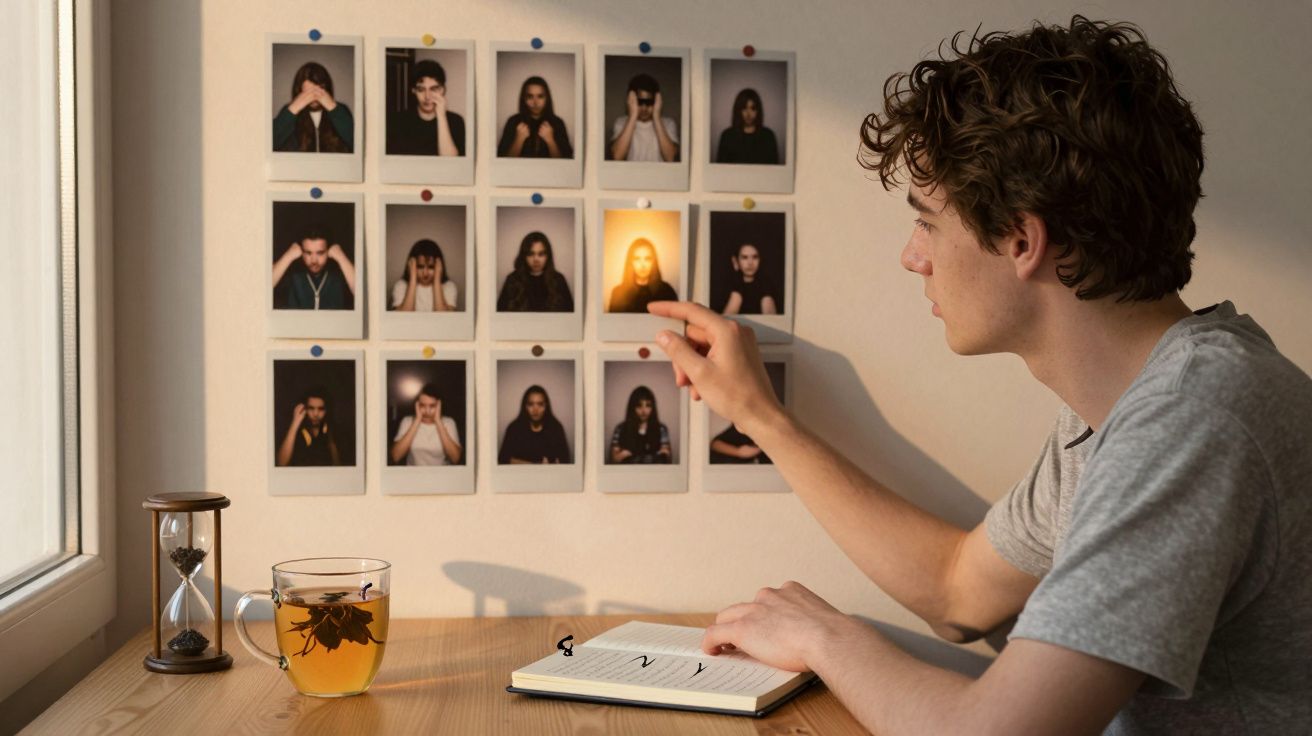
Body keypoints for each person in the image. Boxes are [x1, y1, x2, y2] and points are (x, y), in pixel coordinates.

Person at [648, 16, 1312, 734]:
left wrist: (824, 638)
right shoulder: (1129, 408)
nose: (913, 256)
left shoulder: (1194, 419)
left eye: (928, 221)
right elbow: (958, 591)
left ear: (1023, 241)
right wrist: (762, 418)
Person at [386, 58, 466, 156]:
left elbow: (452, 163)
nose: (427, 96)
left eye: (434, 89)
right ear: (413, 91)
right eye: (421, 89)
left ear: (443, 90)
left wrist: (441, 116)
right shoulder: (397, 121)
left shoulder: (456, 122)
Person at [272, 61, 354, 153]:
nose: (314, 96)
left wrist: (333, 108)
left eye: (318, 91)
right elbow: (269, 143)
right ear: (299, 91)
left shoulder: (340, 111)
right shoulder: (290, 113)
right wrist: (293, 108)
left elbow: (357, 143)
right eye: (308, 93)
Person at [271, 227, 356, 310]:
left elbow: (362, 295)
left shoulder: (341, 272)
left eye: (320, 253)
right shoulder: (291, 272)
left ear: (329, 251)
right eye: (308, 253)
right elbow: (262, 289)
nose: (314, 260)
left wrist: (341, 257)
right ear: (301, 251)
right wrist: (288, 255)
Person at [496, 76, 574, 158]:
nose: (535, 102)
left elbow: (566, 162)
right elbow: (503, 161)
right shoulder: (513, 121)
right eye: (530, 97)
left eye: (540, 96)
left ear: (547, 98)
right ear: (524, 99)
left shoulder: (558, 123)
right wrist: (518, 140)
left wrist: (550, 141)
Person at [496, 232, 574, 312]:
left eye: (541, 254)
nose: (536, 259)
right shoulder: (512, 280)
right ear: (524, 256)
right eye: (530, 254)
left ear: (548, 256)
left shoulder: (559, 280)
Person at [609, 73, 679, 162]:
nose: (644, 108)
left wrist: (656, 116)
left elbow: (671, 158)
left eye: (649, 102)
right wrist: (633, 116)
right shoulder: (621, 123)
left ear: (656, 101)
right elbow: (617, 156)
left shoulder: (668, 123)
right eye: (640, 102)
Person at [389, 382, 462, 466]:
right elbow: (396, 456)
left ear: (440, 405)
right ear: (416, 405)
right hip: (414, 475)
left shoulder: (449, 423)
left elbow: (455, 458)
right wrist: (417, 421)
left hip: (441, 475)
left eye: (432, 406)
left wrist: (438, 421)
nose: (427, 411)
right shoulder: (407, 421)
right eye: (422, 405)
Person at [498, 385, 572, 464]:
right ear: (525, 406)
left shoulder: (556, 428)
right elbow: (503, 459)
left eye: (540, 404)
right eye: (530, 404)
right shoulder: (514, 428)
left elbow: (565, 459)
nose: (535, 409)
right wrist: (535, 466)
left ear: (546, 406)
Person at [608, 238, 677, 313]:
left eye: (647, 259)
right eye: (637, 259)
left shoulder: (667, 291)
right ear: (631, 262)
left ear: (653, 262)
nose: (642, 265)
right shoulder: (618, 293)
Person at [276, 387, 341, 466]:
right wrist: (295, 422)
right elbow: (281, 464)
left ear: (327, 410)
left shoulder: (333, 431)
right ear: (304, 409)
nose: (316, 414)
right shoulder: (297, 431)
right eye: (311, 408)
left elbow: (338, 467)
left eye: (321, 409)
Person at [609, 386, 672, 464]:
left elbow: (666, 457)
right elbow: (614, 459)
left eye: (648, 405)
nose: (644, 410)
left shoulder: (661, 429)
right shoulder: (620, 429)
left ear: (653, 408)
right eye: (639, 406)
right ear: (632, 407)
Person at [391, 239, 458, 312]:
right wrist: (413, 279)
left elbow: (445, 320)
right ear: (412, 266)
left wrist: (437, 280)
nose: (425, 273)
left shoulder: (449, 286)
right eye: (420, 266)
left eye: (431, 267)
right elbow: (402, 319)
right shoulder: (401, 285)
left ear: (439, 266)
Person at [714, 88, 778, 164]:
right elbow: (720, 170)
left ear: (758, 111)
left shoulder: (768, 136)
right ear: (738, 110)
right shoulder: (727, 136)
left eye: (752, 108)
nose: (748, 113)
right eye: (744, 108)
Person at [720, 243, 778, 315]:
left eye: (755, 257)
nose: (750, 263)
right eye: (744, 257)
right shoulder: (725, 287)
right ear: (735, 261)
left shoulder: (767, 288)